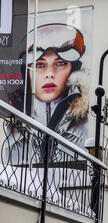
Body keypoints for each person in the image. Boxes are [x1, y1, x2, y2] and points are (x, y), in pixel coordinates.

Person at [5, 23, 89, 164]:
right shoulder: (13, 125)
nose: (50, 74)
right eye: (40, 65)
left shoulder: (83, 122)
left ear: (73, 70)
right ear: (27, 73)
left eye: (60, 63)